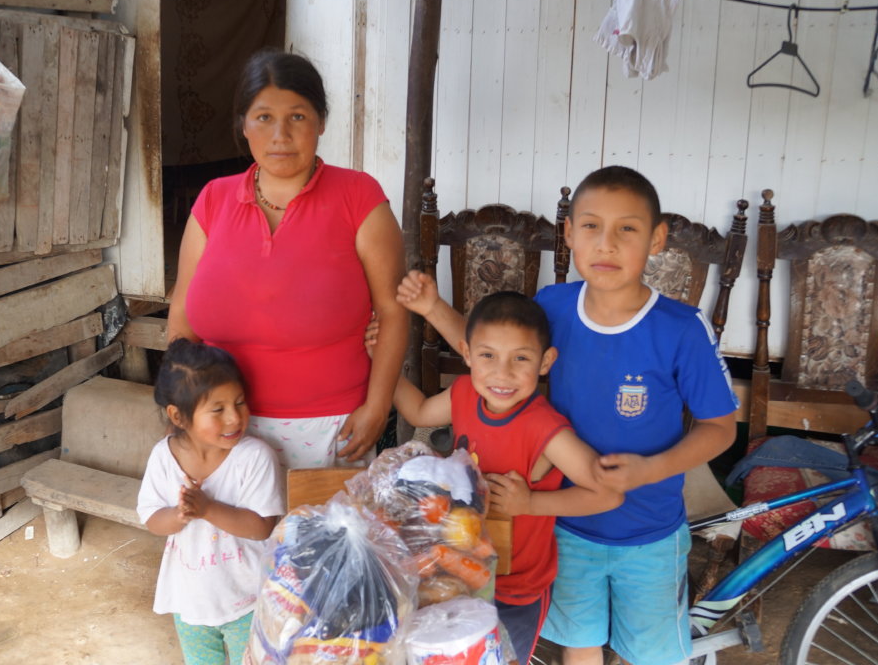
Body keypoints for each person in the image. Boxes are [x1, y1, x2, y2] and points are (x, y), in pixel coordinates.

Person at [392, 166, 738, 665]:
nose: (608, 244)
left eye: (628, 229)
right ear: (570, 234)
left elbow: (720, 428)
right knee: (580, 641)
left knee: (653, 653)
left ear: (657, 239)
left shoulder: (681, 329)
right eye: (592, 227)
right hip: (565, 524)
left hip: (649, 531)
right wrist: (432, 307)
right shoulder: (554, 305)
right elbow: (495, 350)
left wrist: (650, 469)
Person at [167, 49, 406, 469]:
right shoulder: (213, 200)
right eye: (263, 117)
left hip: (330, 429)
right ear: (243, 124)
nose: (280, 134)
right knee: (233, 535)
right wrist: (187, 409)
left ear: (321, 122)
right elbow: (181, 316)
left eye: (297, 116)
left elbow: (392, 310)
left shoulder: (358, 197)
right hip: (222, 429)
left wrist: (377, 406)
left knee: (323, 535)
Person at [389, 290, 623, 665]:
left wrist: (532, 503)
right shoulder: (464, 392)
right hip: (459, 574)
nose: (503, 373)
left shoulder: (544, 427)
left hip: (517, 588)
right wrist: (376, 362)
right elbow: (417, 411)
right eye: (487, 356)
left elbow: (609, 494)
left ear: (545, 362)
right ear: (467, 354)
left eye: (521, 359)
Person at [137, 339, 286, 665]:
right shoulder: (164, 457)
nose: (234, 418)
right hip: (191, 602)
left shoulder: (254, 457)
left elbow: (261, 527)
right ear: (178, 416)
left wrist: (207, 508)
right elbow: (151, 519)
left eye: (240, 402)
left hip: (247, 598)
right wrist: (179, 514)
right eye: (217, 410)